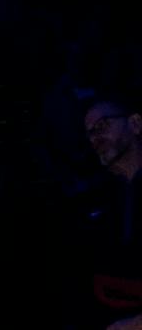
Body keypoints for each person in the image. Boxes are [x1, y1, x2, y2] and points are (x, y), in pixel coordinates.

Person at [80, 89, 142, 329]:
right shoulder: (92, 200)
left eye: (103, 125)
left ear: (135, 124)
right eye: (90, 133)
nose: (95, 137)